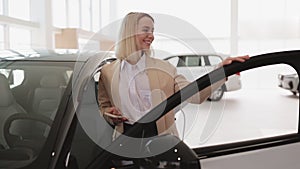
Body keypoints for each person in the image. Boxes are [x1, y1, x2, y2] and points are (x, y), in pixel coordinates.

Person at [98, 12, 249, 140]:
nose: (151, 36)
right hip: (125, 139)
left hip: (160, 138)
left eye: (152, 31)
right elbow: (104, 107)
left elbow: (196, 95)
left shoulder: (166, 69)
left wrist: (220, 71)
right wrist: (109, 114)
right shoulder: (107, 72)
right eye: (145, 30)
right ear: (129, 33)